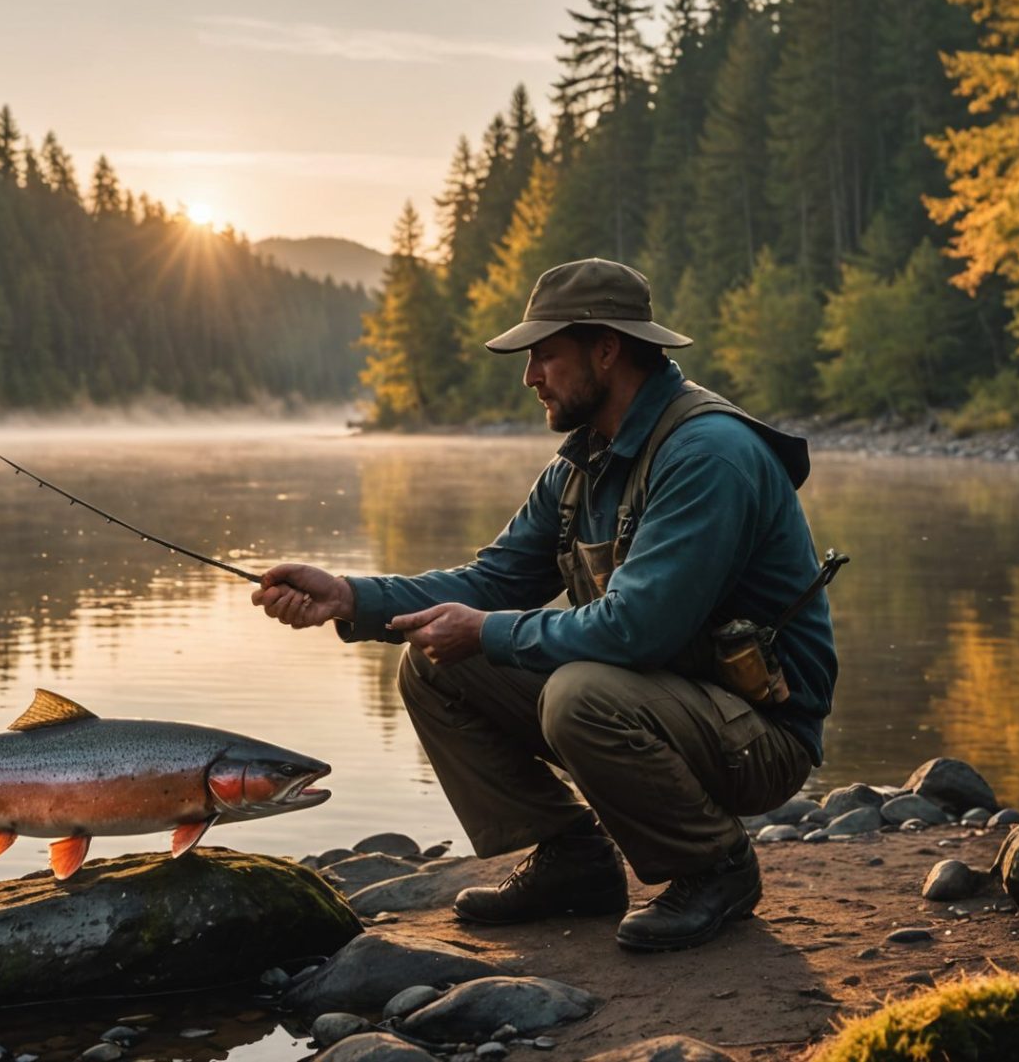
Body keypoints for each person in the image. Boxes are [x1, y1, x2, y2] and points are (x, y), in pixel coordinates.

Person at [253, 257, 837, 952]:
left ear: (607, 348)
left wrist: (491, 632)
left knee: (578, 694)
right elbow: (493, 582)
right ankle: (574, 861)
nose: (530, 375)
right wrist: (352, 597)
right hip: (674, 703)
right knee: (436, 664)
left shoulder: (707, 454)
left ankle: (715, 866)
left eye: (543, 354)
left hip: (761, 736)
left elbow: (636, 630)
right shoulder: (581, 463)